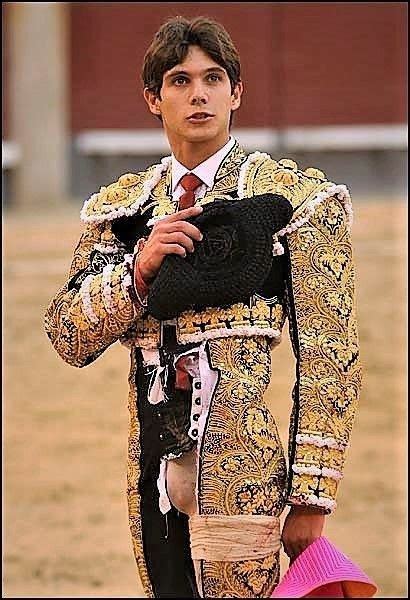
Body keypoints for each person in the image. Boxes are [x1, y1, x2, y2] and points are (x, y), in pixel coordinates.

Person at [44, 15, 362, 599]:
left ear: (236, 93)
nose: (198, 95)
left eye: (213, 79)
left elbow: (331, 357)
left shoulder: (297, 201)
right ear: (152, 99)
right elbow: (68, 335)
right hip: (151, 474)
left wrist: (312, 496)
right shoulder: (124, 211)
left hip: (247, 475)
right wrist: (139, 270)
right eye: (180, 81)